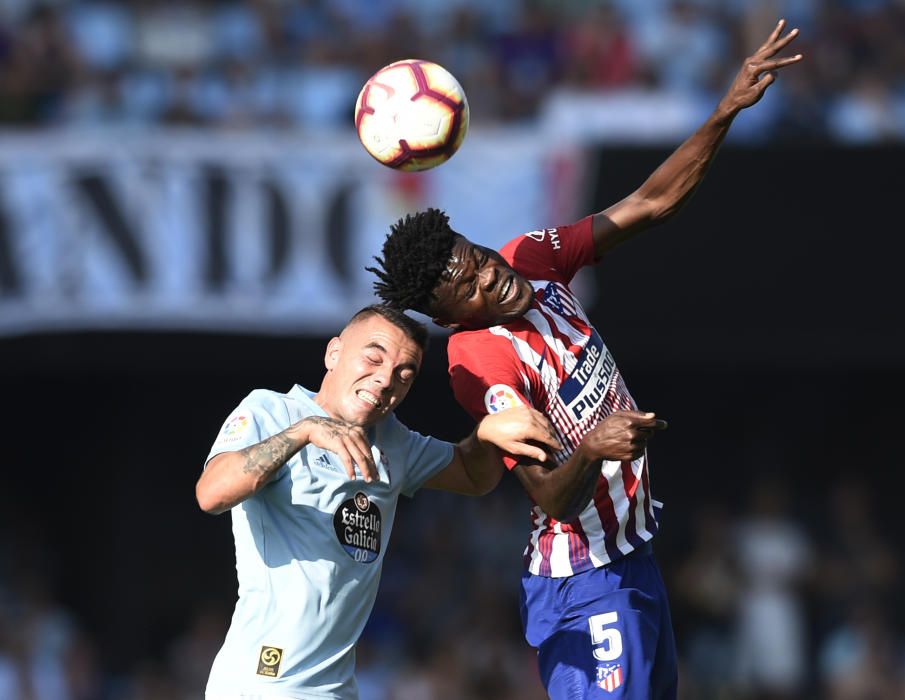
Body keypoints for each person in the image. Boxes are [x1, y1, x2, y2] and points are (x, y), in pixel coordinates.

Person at [366, 20, 803, 699]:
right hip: (582, 580)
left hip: (633, 559)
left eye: (480, 260)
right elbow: (546, 494)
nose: (494, 279)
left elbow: (651, 203)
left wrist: (724, 109)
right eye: (474, 288)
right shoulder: (478, 362)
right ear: (450, 317)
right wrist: (596, 445)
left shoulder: (531, 257)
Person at [194, 303, 560, 699]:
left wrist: (487, 433)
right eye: (373, 357)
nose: (386, 379)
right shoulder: (272, 410)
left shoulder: (394, 442)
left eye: (405, 374)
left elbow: (474, 476)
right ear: (334, 353)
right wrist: (305, 432)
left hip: (336, 688)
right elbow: (212, 493)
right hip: (262, 681)